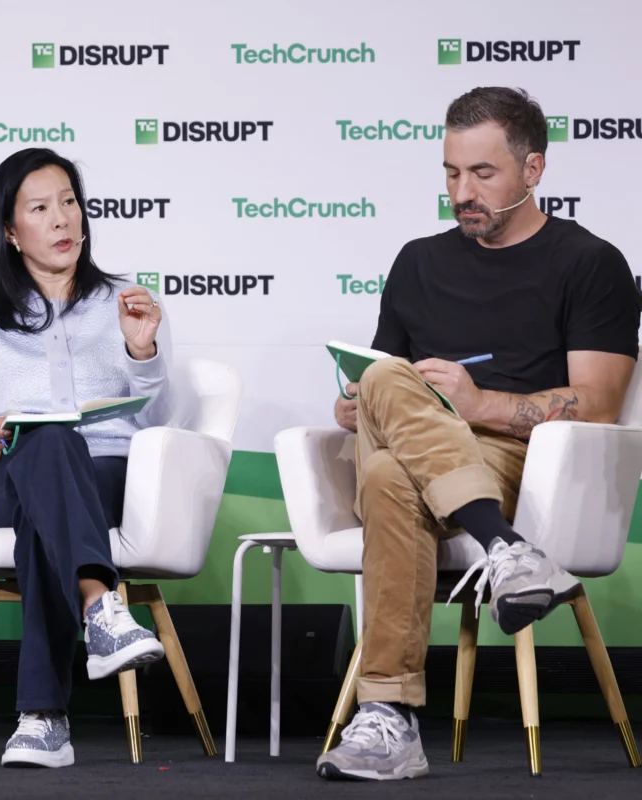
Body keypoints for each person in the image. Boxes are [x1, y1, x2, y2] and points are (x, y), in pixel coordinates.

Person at [317, 87, 640, 781]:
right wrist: (356, 404)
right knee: (383, 388)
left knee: (387, 476)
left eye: (483, 174)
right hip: (424, 449)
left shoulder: (590, 263)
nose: (463, 193)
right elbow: (382, 379)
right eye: (452, 173)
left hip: (521, 462)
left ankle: (389, 717)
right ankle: (507, 550)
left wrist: (479, 402)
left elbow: (600, 403)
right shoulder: (417, 261)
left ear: (533, 169)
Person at [0, 147, 183, 768]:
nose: (61, 219)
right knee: (47, 443)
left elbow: (162, 424)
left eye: (69, 203)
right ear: (9, 231)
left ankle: (44, 718)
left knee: (48, 507)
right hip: (6, 476)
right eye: (39, 208)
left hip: (105, 478)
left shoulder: (127, 303)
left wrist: (143, 354)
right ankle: (100, 609)